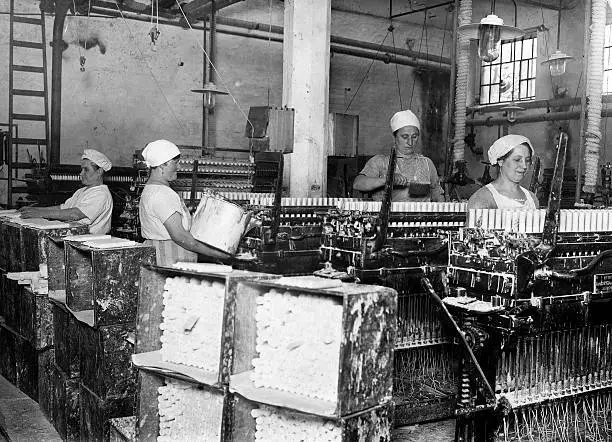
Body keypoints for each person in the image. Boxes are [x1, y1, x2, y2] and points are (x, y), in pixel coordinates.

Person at [139, 139, 228, 266]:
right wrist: (220, 255)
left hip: (158, 254)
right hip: (170, 258)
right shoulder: (163, 194)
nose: (179, 167)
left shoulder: (151, 189)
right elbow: (182, 238)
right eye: (175, 162)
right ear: (162, 165)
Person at [353, 109, 443, 202]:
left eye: (414, 136)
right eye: (405, 137)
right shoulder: (381, 162)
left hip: (421, 216)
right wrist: (387, 179)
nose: (410, 142)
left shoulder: (427, 163)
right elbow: (358, 183)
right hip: (388, 216)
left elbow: (436, 192)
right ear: (395, 138)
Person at [20, 149, 113, 234]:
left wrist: (39, 213)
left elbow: (75, 214)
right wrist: (35, 210)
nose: (81, 173)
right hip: (78, 236)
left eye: (86, 169)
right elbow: (62, 208)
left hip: (92, 240)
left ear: (99, 171)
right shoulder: (82, 191)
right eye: (81, 169)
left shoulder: (101, 194)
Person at [467, 134, 539, 210]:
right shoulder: (483, 198)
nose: (524, 166)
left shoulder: (532, 199)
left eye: (527, 160)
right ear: (501, 161)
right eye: (517, 160)